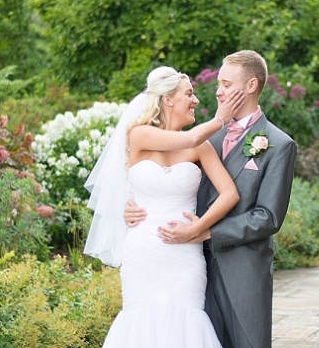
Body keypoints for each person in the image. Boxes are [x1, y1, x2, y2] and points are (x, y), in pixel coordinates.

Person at [126, 50, 298, 348]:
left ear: (251, 85)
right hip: (188, 262)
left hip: (242, 270)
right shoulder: (206, 137)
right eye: (218, 83)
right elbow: (162, 180)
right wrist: (130, 205)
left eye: (226, 84)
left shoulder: (278, 145)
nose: (217, 91)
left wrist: (204, 231)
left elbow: (267, 217)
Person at [85, 66, 244, 347]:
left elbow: (229, 194)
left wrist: (198, 227)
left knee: (187, 322)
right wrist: (221, 119)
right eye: (189, 94)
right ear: (168, 99)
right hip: (144, 251)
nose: (196, 100)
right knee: (140, 321)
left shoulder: (200, 147)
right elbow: (190, 138)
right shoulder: (140, 135)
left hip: (185, 257)